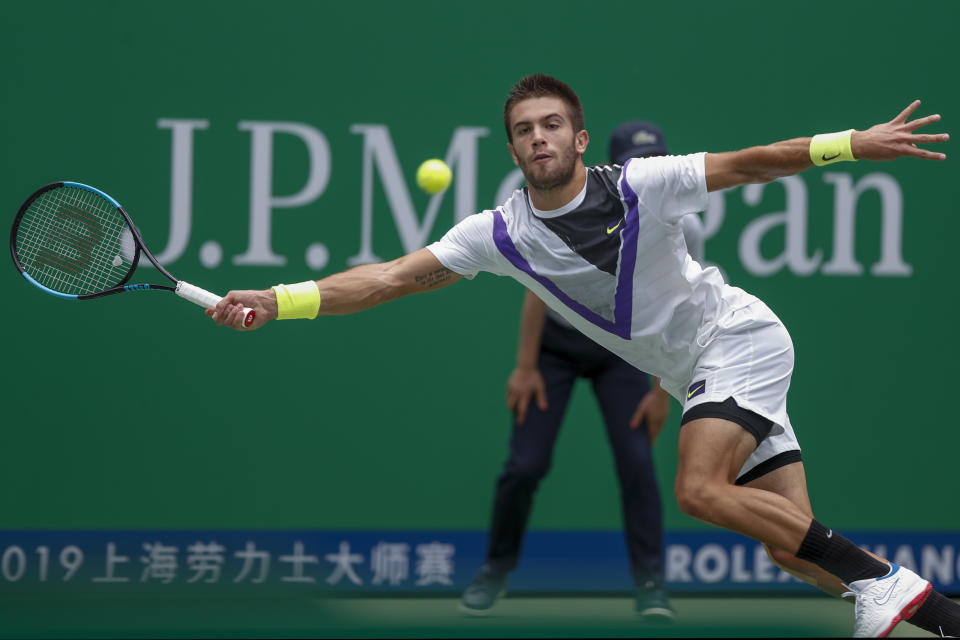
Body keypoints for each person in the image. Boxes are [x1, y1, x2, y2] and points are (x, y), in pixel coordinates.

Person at [209, 74, 957, 637]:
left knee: (698, 489)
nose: (538, 137)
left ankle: (884, 580)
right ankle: (942, 616)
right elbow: (387, 279)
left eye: (552, 124)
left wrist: (851, 144)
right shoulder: (497, 234)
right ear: (511, 148)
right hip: (694, 368)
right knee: (796, 548)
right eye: (524, 129)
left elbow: (753, 162)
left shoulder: (640, 186)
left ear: (578, 139)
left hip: (736, 341)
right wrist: (280, 298)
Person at [458, 121, 701, 619]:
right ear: (613, 169)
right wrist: (525, 366)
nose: (651, 170)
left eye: (658, 158)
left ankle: (652, 584)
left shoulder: (684, 223)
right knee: (524, 465)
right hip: (556, 349)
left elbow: (674, 309)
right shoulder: (570, 209)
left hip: (625, 351)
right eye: (640, 161)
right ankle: (495, 571)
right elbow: (536, 290)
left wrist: (661, 389)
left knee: (636, 463)